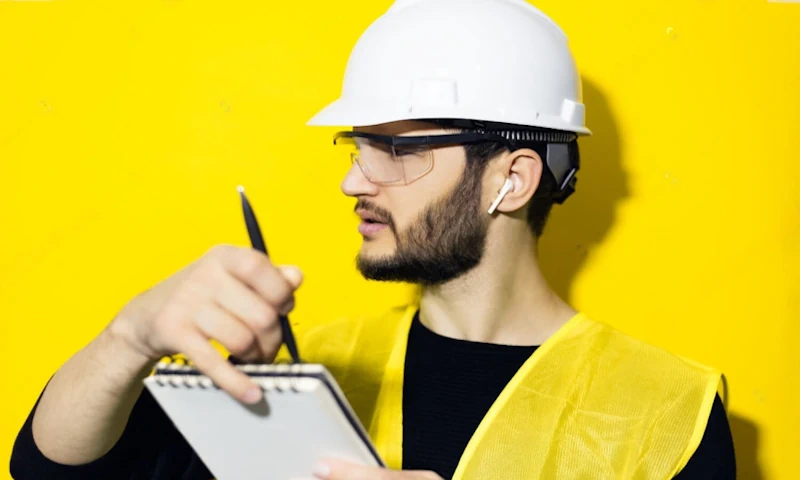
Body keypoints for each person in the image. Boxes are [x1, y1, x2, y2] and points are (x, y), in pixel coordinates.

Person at [10, 0, 736, 478]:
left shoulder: (667, 412)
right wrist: (129, 336)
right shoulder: (302, 370)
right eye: (358, 146)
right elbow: (52, 469)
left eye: (398, 149)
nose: (353, 182)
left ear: (511, 180)